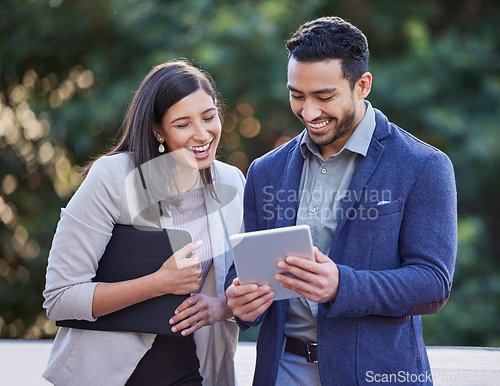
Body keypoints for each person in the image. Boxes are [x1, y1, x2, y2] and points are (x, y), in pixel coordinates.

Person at [225, 16, 457, 385]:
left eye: (324, 96)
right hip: (281, 370)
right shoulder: (264, 171)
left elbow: (432, 283)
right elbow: (243, 274)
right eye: (297, 95)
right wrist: (241, 302)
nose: (309, 112)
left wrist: (341, 287)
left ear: (362, 85)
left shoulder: (424, 166)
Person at [43, 60, 245, 385]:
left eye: (209, 117)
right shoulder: (113, 177)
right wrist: (159, 282)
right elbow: (60, 298)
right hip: (110, 372)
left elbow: (243, 284)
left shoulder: (231, 181)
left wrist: (221, 307)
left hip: (191, 368)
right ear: (157, 129)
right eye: (183, 124)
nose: (203, 133)